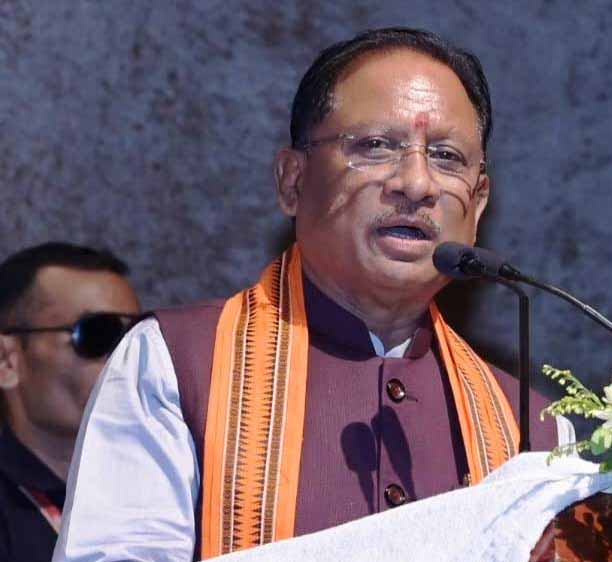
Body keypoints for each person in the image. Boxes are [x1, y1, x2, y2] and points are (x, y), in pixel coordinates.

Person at [55, 27, 566, 562]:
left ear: (478, 203)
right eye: (376, 146)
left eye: (446, 156)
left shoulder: (536, 430)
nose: (416, 184)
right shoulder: (174, 365)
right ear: (292, 181)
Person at [0, 242, 141, 562]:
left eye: (136, 338)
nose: (124, 359)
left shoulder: (171, 491)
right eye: (97, 334)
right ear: (6, 361)